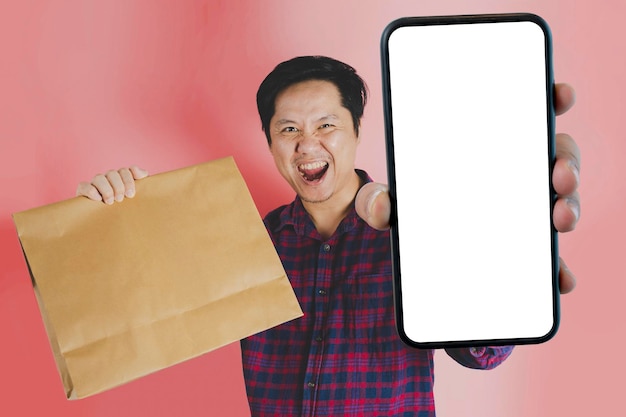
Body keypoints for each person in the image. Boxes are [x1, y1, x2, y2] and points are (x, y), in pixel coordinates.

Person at [77, 56, 581, 416]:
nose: (307, 145)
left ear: (358, 131)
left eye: (326, 125)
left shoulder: (417, 231)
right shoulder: (245, 243)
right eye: (289, 130)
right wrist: (104, 220)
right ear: (270, 142)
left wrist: (499, 246)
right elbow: (130, 317)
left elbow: (484, 354)